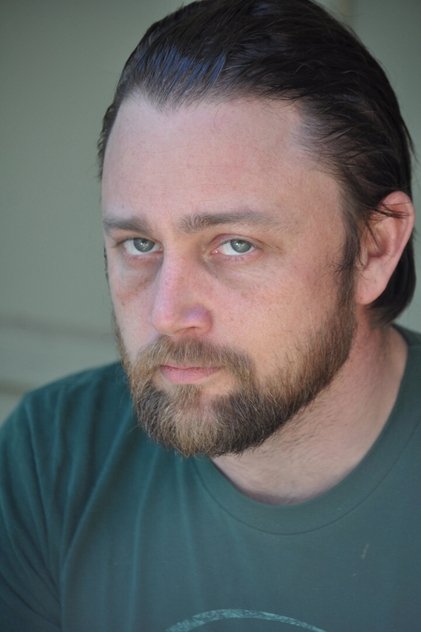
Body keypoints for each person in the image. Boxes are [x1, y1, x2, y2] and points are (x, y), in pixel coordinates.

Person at [1, 0, 419, 630]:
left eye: (236, 245)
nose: (168, 315)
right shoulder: (51, 456)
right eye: (140, 244)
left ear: (374, 248)